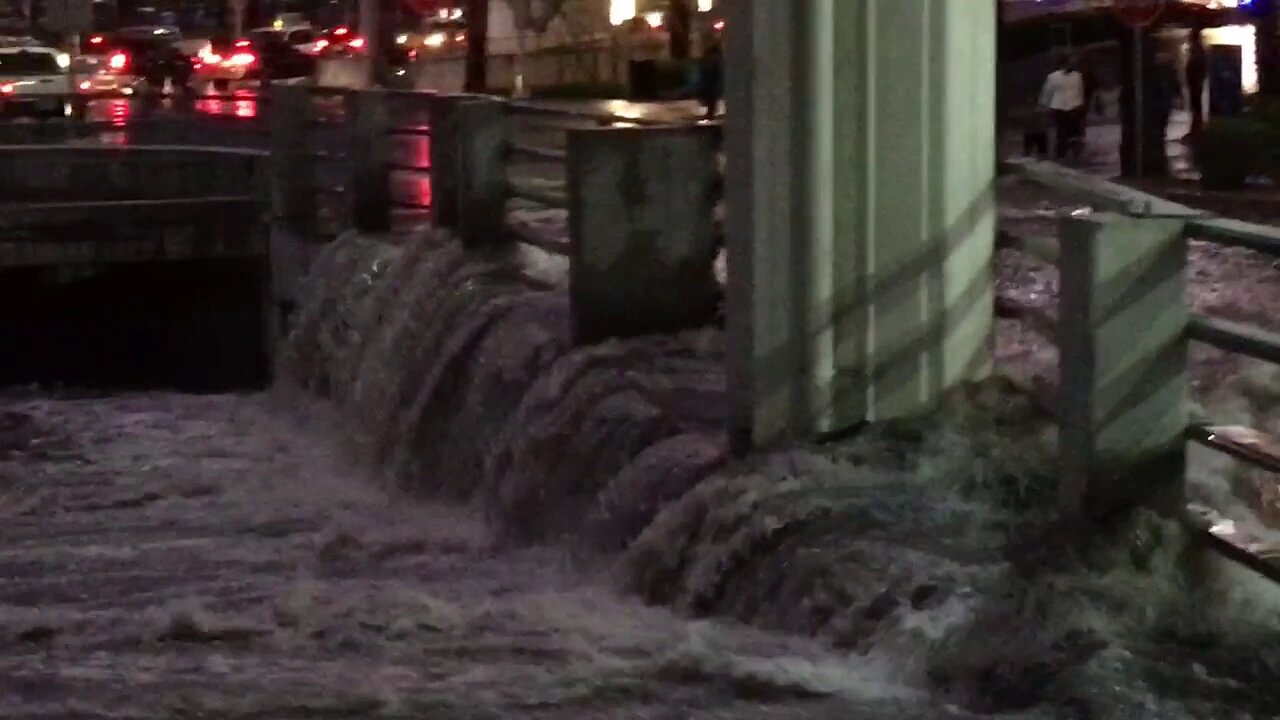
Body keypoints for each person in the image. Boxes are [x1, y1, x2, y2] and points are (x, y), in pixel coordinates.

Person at [1039, 53, 1086, 161]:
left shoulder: (1077, 76)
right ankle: (1061, 154)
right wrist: (1044, 104)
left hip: (1075, 106)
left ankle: (1076, 154)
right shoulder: (1053, 77)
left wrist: (1081, 104)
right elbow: (1047, 91)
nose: (1072, 64)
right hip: (1059, 107)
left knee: (1075, 132)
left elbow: (1080, 90)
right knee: (1062, 131)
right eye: (1070, 62)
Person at [1185, 26, 1208, 140]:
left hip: (1195, 82)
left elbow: (1198, 67)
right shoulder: (1197, 50)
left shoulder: (1197, 51)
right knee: (1195, 105)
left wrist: (1197, 79)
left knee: (1195, 106)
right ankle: (1196, 128)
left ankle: (1196, 129)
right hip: (1195, 82)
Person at [696, 42, 723, 121]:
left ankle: (710, 114)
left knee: (710, 98)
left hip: (710, 83)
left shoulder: (710, 59)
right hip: (711, 83)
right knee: (711, 99)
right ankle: (710, 114)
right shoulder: (714, 59)